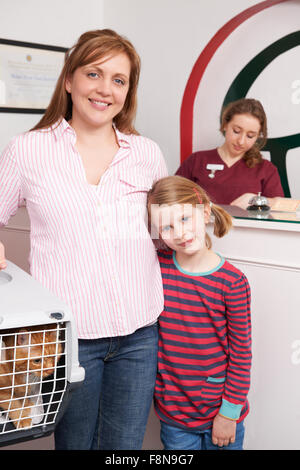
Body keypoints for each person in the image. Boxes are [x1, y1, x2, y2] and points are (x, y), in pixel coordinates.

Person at [0, 29, 168, 449]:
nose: (104, 89)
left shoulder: (147, 153)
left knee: (125, 449)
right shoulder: (26, 150)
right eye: (94, 73)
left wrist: (184, 228)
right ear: (69, 79)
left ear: (128, 94)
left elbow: (163, 236)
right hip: (67, 340)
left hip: (140, 335)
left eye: (118, 80)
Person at [147, 175, 251, 450]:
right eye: (166, 227)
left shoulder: (232, 281)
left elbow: (241, 354)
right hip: (174, 417)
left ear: (204, 211)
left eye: (184, 219)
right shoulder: (157, 269)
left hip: (221, 413)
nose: (179, 233)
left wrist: (229, 414)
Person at [176, 98, 284, 209]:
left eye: (250, 136)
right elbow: (170, 197)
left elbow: (284, 207)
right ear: (225, 125)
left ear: (257, 137)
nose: (241, 141)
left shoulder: (266, 169)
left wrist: (258, 201)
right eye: (236, 131)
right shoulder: (197, 160)